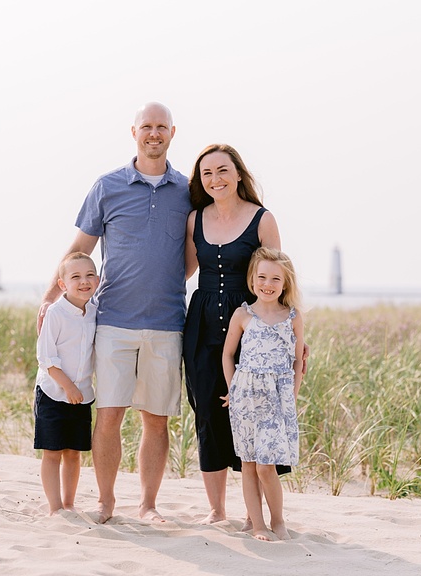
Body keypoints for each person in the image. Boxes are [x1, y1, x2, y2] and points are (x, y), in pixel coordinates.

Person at [37, 102, 191, 524]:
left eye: (161, 127)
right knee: (108, 417)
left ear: (172, 133)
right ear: (134, 132)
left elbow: (189, 258)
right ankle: (106, 501)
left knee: (156, 421)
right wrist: (51, 296)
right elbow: (79, 250)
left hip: (166, 323)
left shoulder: (188, 190)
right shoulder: (107, 186)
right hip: (113, 322)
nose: (153, 133)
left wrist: (164, 281)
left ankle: (149, 505)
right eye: (147, 126)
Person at [182, 143, 283, 525]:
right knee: (208, 412)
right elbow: (185, 273)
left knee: (251, 416)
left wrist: (294, 334)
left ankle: (255, 513)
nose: (215, 179)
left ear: (238, 173)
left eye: (222, 170)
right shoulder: (195, 219)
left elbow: (280, 278)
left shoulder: (262, 219)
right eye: (207, 173)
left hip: (251, 328)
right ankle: (217, 509)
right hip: (202, 325)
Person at [221, 247, 304, 541]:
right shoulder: (243, 315)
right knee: (248, 463)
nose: (267, 284)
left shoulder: (292, 317)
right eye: (262, 277)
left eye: (275, 279)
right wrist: (233, 388)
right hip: (245, 396)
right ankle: (257, 525)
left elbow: (298, 361)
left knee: (267, 465)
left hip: (278, 397)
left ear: (285, 284)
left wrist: (292, 395)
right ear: (253, 279)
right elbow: (228, 355)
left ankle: (278, 520)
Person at [34, 251, 99, 515]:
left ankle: (69, 504)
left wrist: (79, 389)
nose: (84, 281)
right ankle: (55, 507)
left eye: (89, 275)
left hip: (82, 395)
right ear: (63, 284)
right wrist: (68, 387)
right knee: (52, 452)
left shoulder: (95, 312)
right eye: (76, 277)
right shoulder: (56, 313)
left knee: (74, 453)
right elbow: (46, 358)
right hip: (53, 392)